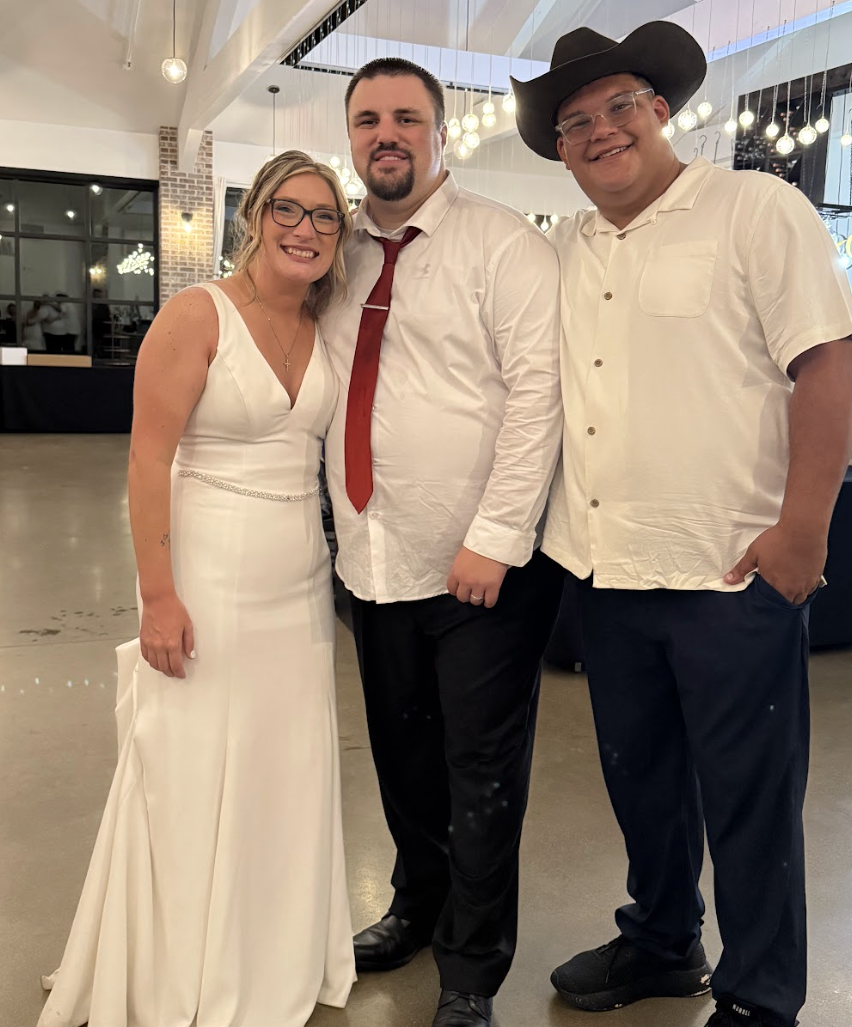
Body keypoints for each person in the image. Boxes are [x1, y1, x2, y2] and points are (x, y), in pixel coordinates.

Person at [512, 23, 852, 1027]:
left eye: (619, 105)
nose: (599, 130)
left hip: (730, 573)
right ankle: (664, 942)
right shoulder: (562, 250)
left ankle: (759, 998)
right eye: (575, 121)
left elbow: (828, 359)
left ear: (662, 109)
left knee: (750, 798)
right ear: (562, 147)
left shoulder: (756, 208)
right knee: (643, 782)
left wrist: (805, 530)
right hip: (607, 572)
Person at [38, 151, 357, 1027]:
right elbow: (147, 459)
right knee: (190, 760)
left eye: (325, 216)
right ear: (254, 215)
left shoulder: (327, 325)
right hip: (207, 570)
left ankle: (273, 949)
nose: (306, 229)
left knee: (282, 763)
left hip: (298, 580)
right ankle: (183, 962)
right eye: (288, 209)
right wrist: (159, 596)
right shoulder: (197, 314)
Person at [323, 58, 563, 1027]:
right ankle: (416, 907)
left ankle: (470, 968)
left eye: (407, 118)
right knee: (402, 757)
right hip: (370, 560)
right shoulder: (333, 255)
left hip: (480, 571)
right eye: (369, 118)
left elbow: (539, 396)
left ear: (441, 133)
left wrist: (496, 537)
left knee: (480, 771)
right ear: (350, 135)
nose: (388, 133)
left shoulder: (503, 245)